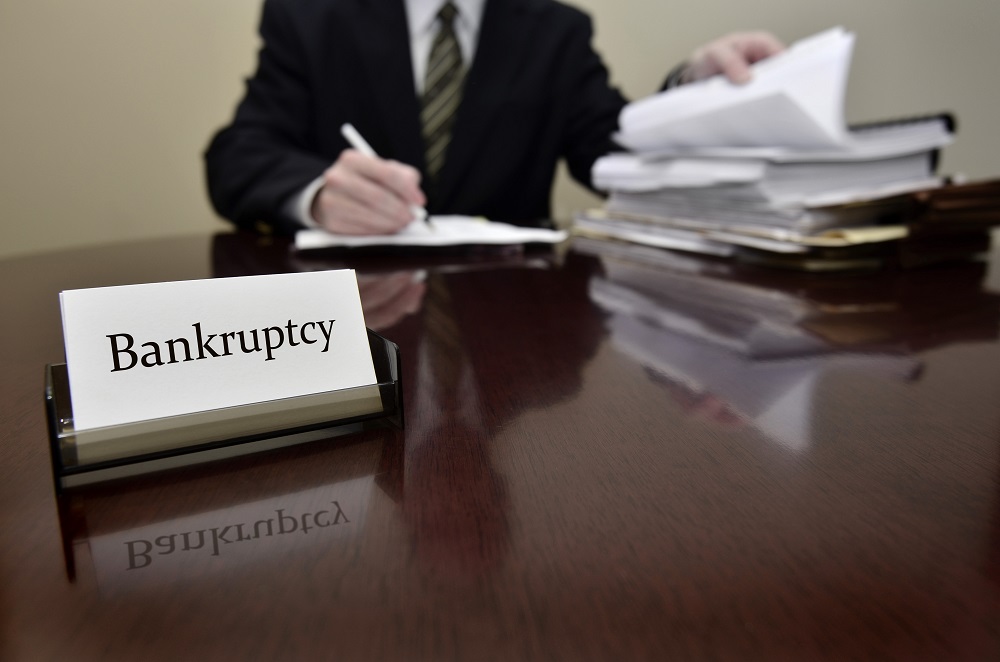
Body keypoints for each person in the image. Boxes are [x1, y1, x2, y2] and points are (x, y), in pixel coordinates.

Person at [204, 0, 783, 236]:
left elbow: (615, 153)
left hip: (512, 320)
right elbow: (239, 153)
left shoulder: (557, 31)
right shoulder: (310, 16)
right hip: (355, 324)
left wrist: (692, 90)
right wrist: (317, 194)